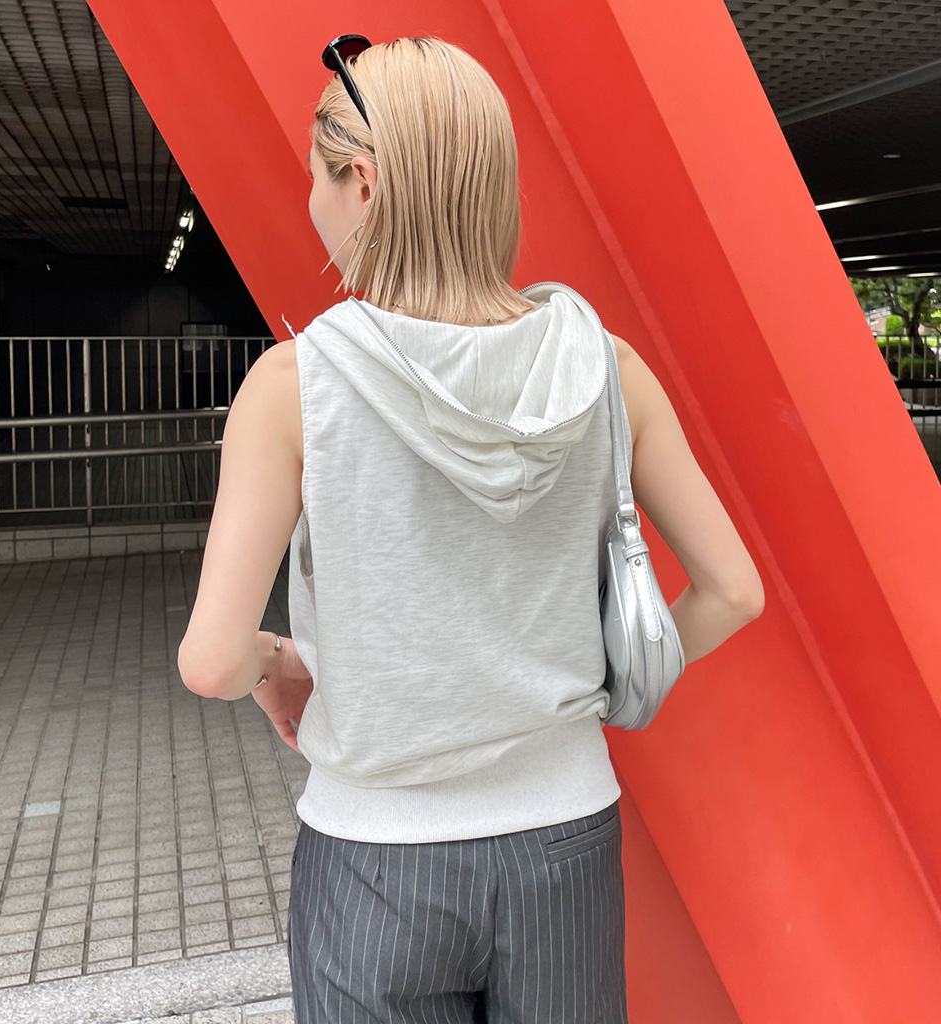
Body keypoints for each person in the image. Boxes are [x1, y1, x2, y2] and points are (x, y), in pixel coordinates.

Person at [178, 34, 764, 1024]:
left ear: (364, 183)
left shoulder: (295, 385)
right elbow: (733, 591)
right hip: (565, 841)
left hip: (375, 858)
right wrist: (596, 685)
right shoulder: (605, 368)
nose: (312, 200)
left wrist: (276, 663)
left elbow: (210, 661)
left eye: (316, 176)